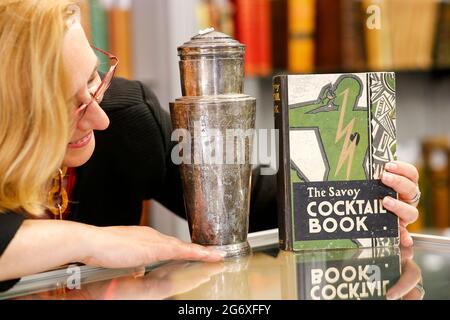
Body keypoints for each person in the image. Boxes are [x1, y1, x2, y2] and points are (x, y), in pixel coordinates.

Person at [0, 0, 421, 290]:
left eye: (94, 79)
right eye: (66, 107)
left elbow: (253, 204)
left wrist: (367, 203)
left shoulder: (128, 120)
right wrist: (91, 241)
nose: (99, 116)